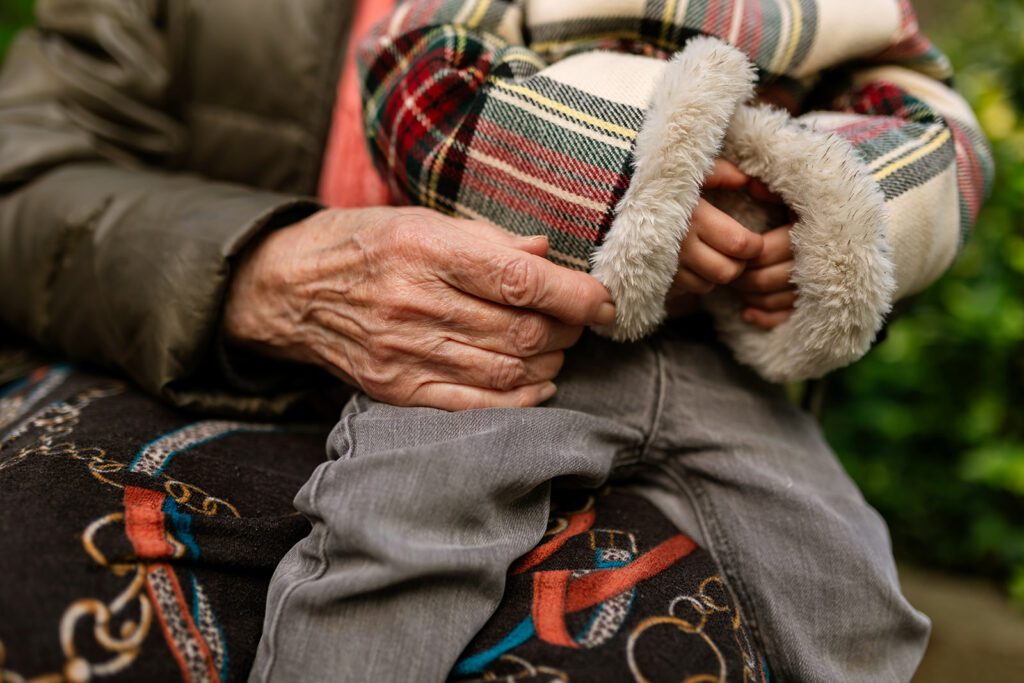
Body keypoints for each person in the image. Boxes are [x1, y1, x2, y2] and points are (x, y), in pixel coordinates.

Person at [0, 1, 989, 682]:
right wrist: (622, 191)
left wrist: (827, 211)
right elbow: (422, 81)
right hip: (484, 352)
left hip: (714, 366)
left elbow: (922, 121)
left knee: (846, 578)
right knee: (390, 541)